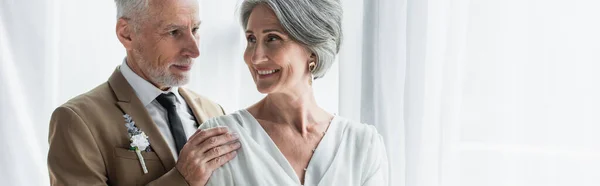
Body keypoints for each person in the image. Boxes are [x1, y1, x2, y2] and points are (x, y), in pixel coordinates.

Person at [47, 0, 240, 185]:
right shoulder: (78, 121)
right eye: (174, 32)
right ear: (127, 34)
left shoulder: (214, 111)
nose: (195, 50)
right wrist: (182, 179)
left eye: (195, 29)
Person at [200, 0, 389, 185]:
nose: (255, 57)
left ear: (312, 51)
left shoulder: (362, 145)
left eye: (272, 38)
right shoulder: (220, 140)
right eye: (251, 39)